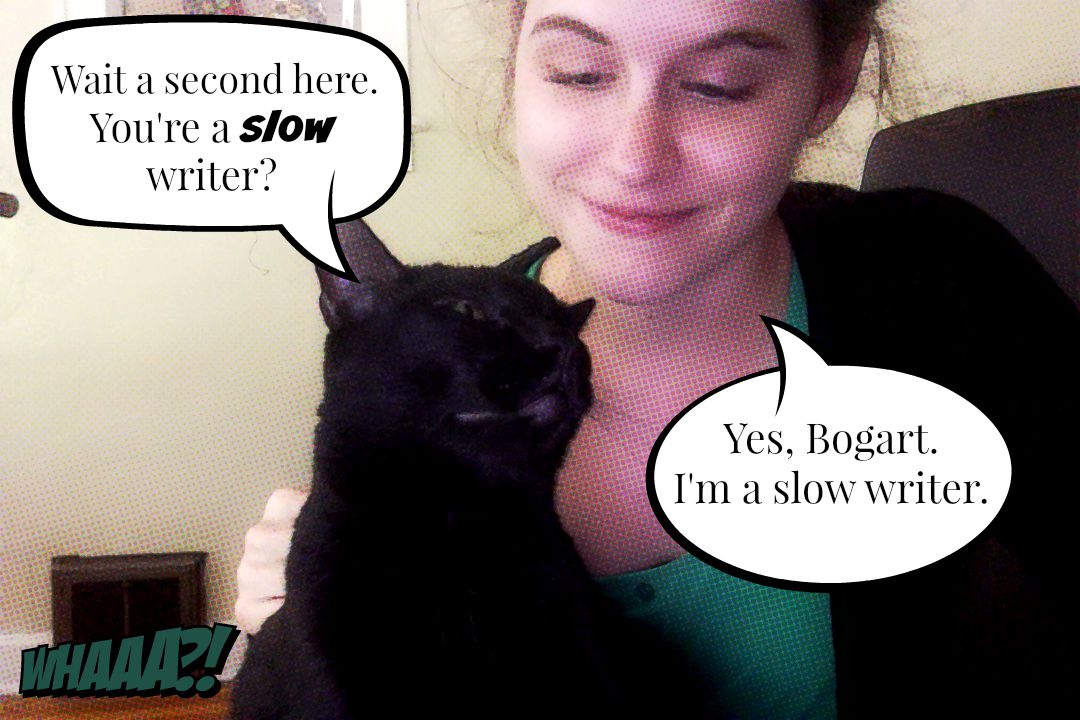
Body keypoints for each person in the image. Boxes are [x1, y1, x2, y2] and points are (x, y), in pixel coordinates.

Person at [235, 2, 1077, 717]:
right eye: (578, 74)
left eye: (719, 85)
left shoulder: (936, 280)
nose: (635, 160)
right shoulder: (420, 366)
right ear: (517, 71)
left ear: (830, 84)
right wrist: (306, 644)